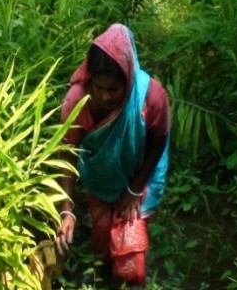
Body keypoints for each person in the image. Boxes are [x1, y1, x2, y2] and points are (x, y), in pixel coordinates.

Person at [56, 23, 170, 288]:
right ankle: (105, 274)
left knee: (130, 244)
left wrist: (135, 187)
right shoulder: (76, 101)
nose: (105, 96)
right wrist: (67, 210)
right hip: (101, 177)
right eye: (99, 87)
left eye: (114, 89)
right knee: (102, 234)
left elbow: (158, 142)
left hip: (139, 172)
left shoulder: (150, 98)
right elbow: (68, 155)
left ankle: (129, 281)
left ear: (128, 80)